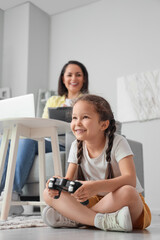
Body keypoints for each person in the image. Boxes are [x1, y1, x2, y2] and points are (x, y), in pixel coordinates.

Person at [42, 94, 151, 232]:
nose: (77, 122)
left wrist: (95, 187)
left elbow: (130, 180)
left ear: (103, 124)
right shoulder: (76, 146)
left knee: (128, 192)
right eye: (74, 118)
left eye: (85, 117)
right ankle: (101, 221)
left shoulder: (118, 142)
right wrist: (58, 184)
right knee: (47, 193)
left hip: (123, 204)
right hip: (92, 202)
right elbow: (69, 180)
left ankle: (77, 219)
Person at [0, 60, 89, 215]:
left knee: (28, 140)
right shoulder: (53, 100)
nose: (73, 78)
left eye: (78, 75)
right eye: (69, 75)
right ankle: (3, 193)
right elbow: (41, 124)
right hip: (45, 139)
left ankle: (13, 193)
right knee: (8, 140)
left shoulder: (87, 101)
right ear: (63, 79)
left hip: (63, 143)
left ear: (84, 79)